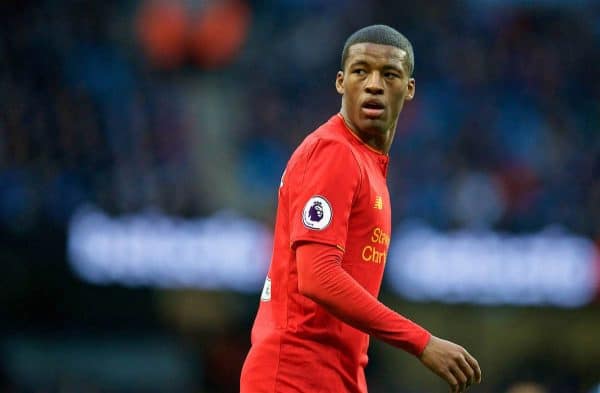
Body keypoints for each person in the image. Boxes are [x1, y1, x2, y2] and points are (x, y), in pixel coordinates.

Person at [240, 24, 482, 393]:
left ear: (409, 88)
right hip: (293, 373)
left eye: (389, 74)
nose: (373, 84)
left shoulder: (368, 166)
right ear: (340, 82)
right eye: (360, 71)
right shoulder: (333, 152)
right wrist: (422, 342)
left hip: (334, 373)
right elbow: (318, 275)